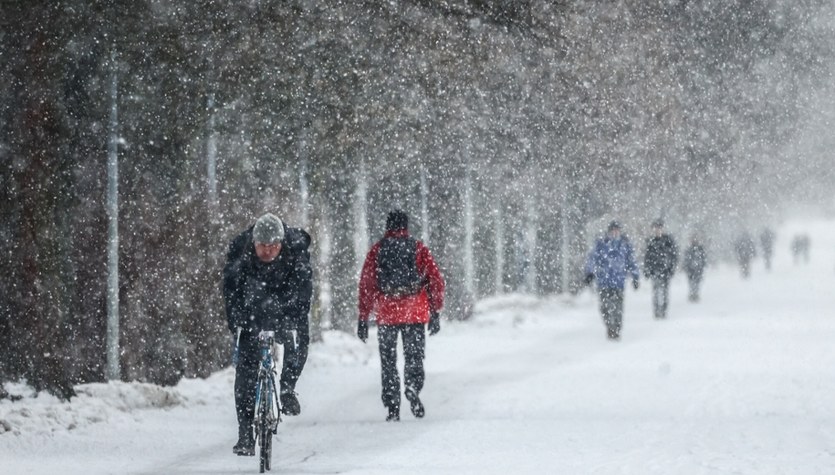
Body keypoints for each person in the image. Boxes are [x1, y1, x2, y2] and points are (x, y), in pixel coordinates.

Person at [223, 213, 313, 456]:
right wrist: (237, 322)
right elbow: (231, 293)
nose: (268, 251)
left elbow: (304, 291)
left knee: (299, 339)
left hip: (285, 302)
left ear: (282, 244)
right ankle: (244, 434)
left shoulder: (295, 251)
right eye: (262, 246)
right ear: (254, 243)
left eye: (273, 246)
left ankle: (286, 388)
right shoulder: (241, 254)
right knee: (245, 372)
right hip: (252, 306)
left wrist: (292, 317)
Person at [357, 210, 445, 422]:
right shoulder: (418, 248)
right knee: (414, 356)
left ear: (387, 227)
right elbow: (435, 280)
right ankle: (412, 386)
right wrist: (435, 311)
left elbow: (366, 284)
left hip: (387, 311)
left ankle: (392, 405)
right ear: (406, 226)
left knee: (388, 361)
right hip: (414, 309)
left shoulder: (377, 250)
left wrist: (363, 316)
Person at [584, 220, 640, 340]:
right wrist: (589, 272)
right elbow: (593, 258)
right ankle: (609, 326)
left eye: (617, 230)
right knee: (604, 307)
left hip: (619, 282)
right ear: (609, 232)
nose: (615, 232)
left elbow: (631, 262)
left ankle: (616, 329)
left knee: (618, 307)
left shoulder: (625, 245)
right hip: (603, 280)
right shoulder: (601, 244)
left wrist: (635, 276)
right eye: (612, 230)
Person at [643, 219, 678, 319]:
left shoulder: (668, 241)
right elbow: (647, 257)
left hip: (665, 271)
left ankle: (663, 310)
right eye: (656, 228)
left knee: (664, 292)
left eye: (659, 228)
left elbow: (673, 255)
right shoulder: (651, 241)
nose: (657, 230)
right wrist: (647, 270)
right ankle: (657, 310)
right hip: (654, 271)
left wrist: (671, 268)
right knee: (656, 292)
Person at [683, 235, 707, 302]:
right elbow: (686, 259)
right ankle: (692, 293)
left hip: (698, 269)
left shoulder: (700, 248)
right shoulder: (689, 249)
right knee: (691, 282)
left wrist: (702, 266)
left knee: (697, 282)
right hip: (691, 269)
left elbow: (703, 258)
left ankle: (695, 293)